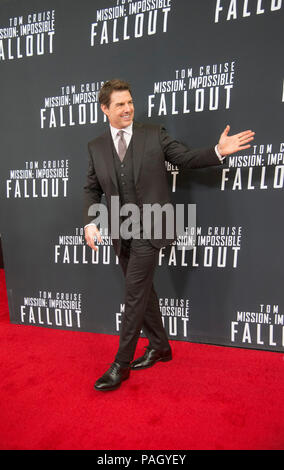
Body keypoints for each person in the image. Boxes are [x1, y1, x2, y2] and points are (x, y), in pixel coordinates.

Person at [83, 79, 254, 391]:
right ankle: (161, 347)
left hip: (152, 227)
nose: (128, 108)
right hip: (122, 232)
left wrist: (218, 151)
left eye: (130, 102)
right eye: (120, 104)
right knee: (145, 293)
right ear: (104, 108)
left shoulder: (153, 134)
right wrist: (91, 221)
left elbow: (185, 158)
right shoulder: (95, 147)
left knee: (134, 295)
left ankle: (121, 364)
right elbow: (92, 188)